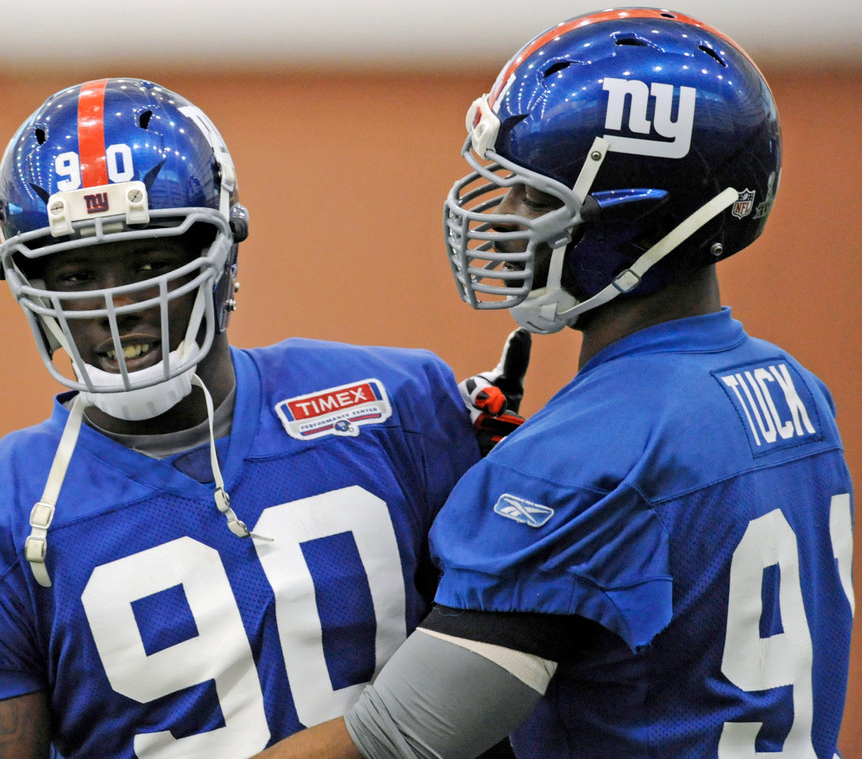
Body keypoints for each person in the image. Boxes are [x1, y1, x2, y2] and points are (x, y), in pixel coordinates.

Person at [254, 8, 855, 759]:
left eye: (537, 197)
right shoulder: (797, 390)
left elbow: (403, 734)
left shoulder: (582, 453)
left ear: (642, 219)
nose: (504, 215)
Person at [0, 78, 523, 759]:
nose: (118, 302)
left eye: (148, 260)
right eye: (75, 275)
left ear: (223, 255)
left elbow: (516, 663)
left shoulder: (392, 401)